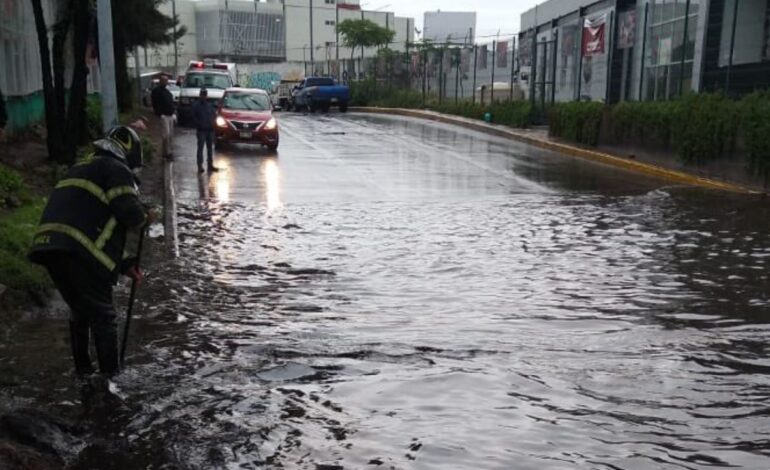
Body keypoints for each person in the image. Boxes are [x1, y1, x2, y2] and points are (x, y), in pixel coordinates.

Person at [28, 126, 149, 378]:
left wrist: (124, 263)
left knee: (81, 310)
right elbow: (130, 214)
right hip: (78, 251)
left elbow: (92, 222)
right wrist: (146, 214)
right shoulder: (117, 170)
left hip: (51, 246)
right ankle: (111, 380)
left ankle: (84, 372)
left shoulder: (82, 167)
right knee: (104, 315)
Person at [191, 88, 218, 173]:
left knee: (210, 148)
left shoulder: (209, 105)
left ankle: (210, 165)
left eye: (205, 95)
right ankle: (200, 166)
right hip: (201, 130)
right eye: (202, 95)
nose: (203, 97)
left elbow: (214, 115)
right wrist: (199, 125)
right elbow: (193, 117)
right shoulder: (196, 106)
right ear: (200, 95)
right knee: (200, 148)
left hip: (210, 130)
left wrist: (213, 124)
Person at [151, 74, 175, 160]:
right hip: (164, 115)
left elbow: (171, 103)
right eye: (164, 80)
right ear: (160, 81)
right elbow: (155, 103)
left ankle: (167, 152)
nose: (166, 82)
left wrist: (173, 112)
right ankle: (167, 153)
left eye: (166, 80)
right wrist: (159, 113)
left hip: (170, 115)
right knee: (166, 134)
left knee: (170, 135)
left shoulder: (167, 92)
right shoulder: (157, 91)